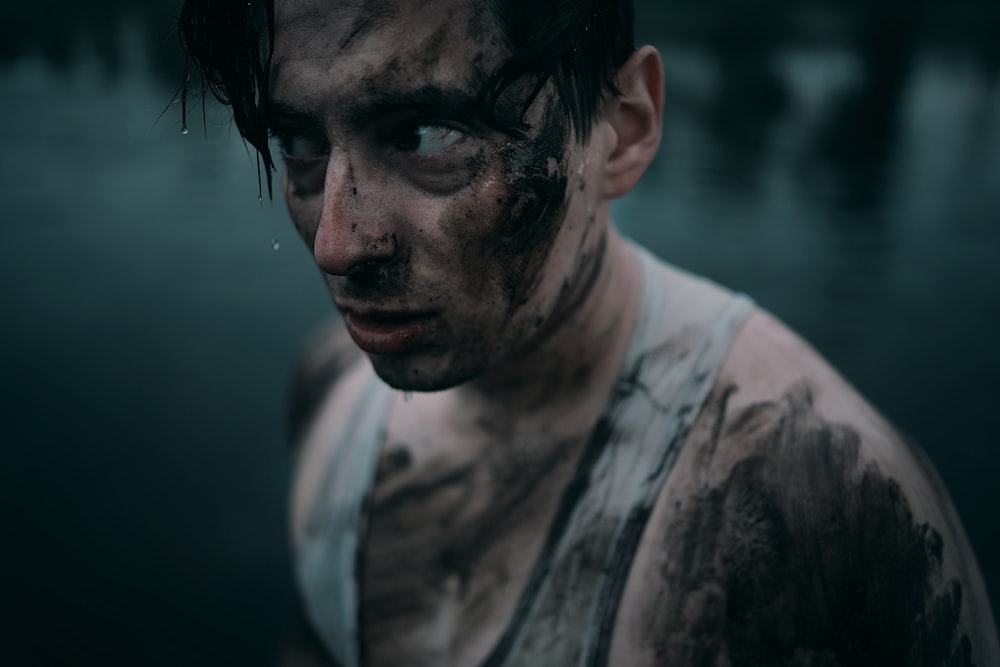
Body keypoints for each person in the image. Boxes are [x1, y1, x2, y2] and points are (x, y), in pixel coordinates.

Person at [178, 1, 999, 665]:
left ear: (626, 127)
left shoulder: (814, 501)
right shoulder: (328, 393)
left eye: (424, 133)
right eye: (299, 143)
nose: (338, 242)